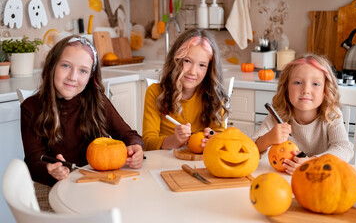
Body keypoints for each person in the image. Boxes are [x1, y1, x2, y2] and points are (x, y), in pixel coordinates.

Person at [21, 35, 144, 211]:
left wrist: (136, 147)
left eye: (83, 71)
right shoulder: (31, 107)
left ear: (90, 77)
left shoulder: (98, 100)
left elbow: (128, 135)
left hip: (95, 181)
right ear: (51, 66)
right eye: (65, 66)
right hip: (50, 185)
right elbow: (33, 161)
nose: (73, 77)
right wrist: (49, 169)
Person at [252, 54, 353, 175]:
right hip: (284, 180)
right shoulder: (278, 116)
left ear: (325, 90)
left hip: (320, 180)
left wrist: (312, 162)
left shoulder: (331, 115)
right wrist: (267, 139)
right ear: (286, 88)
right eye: (298, 82)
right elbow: (249, 149)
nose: (306, 90)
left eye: (315, 84)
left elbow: (344, 149)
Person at [142, 29, 229, 150]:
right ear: (175, 61)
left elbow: (220, 135)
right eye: (187, 61)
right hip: (164, 162)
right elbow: (148, 143)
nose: (192, 72)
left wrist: (213, 138)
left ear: (209, 69)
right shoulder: (155, 92)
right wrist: (175, 139)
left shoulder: (214, 95)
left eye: (202, 65)